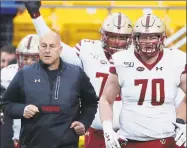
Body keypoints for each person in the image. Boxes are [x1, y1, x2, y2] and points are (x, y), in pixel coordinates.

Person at [23, 1, 133, 148]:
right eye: (113, 36)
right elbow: (55, 46)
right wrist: (36, 15)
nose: (117, 42)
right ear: (103, 35)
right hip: (96, 131)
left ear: (131, 38)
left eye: (122, 38)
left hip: (131, 133)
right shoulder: (88, 49)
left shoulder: (137, 56)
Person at [99, 14, 186, 148]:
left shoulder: (176, 59)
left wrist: (182, 121)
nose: (148, 41)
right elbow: (106, 99)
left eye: (153, 37)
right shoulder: (121, 60)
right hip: (129, 140)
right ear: (135, 38)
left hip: (166, 140)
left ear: (162, 38)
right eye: (143, 37)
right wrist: (107, 128)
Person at [1, 31, 98, 148]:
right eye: (44, 46)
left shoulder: (76, 74)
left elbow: (91, 103)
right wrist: (22, 109)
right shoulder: (24, 74)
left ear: (60, 49)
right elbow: (6, 104)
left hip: (67, 144)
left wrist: (84, 122)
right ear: (39, 49)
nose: (47, 50)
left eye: (52, 46)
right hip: (32, 143)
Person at [1, 34, 40, 148]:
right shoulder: (7, 74)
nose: (28, 62)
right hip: (14, 134)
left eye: (34, 58)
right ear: (18, 57)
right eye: (25, 57)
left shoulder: (53, 77)